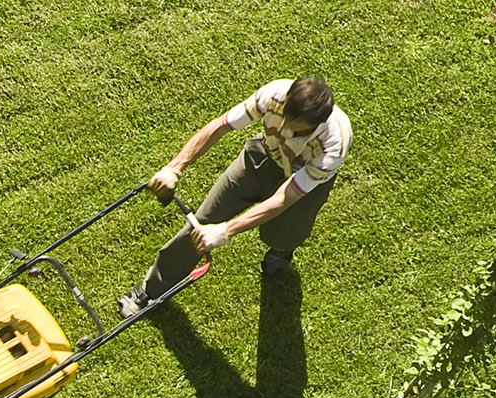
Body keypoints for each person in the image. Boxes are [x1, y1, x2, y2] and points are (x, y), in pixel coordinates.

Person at [117, 77, 351, 319]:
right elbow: (222, 125)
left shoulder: (334, 144)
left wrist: (226, 231)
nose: (284, 128)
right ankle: (151, 289)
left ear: (316, 124)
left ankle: (281, 250)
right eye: (283, 118)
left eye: (295, 127)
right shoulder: (274, 94)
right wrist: (174, 167)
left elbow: (285, 197)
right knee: (202, 222)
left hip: (301, 181)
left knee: (281, 236)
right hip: (262, 157)